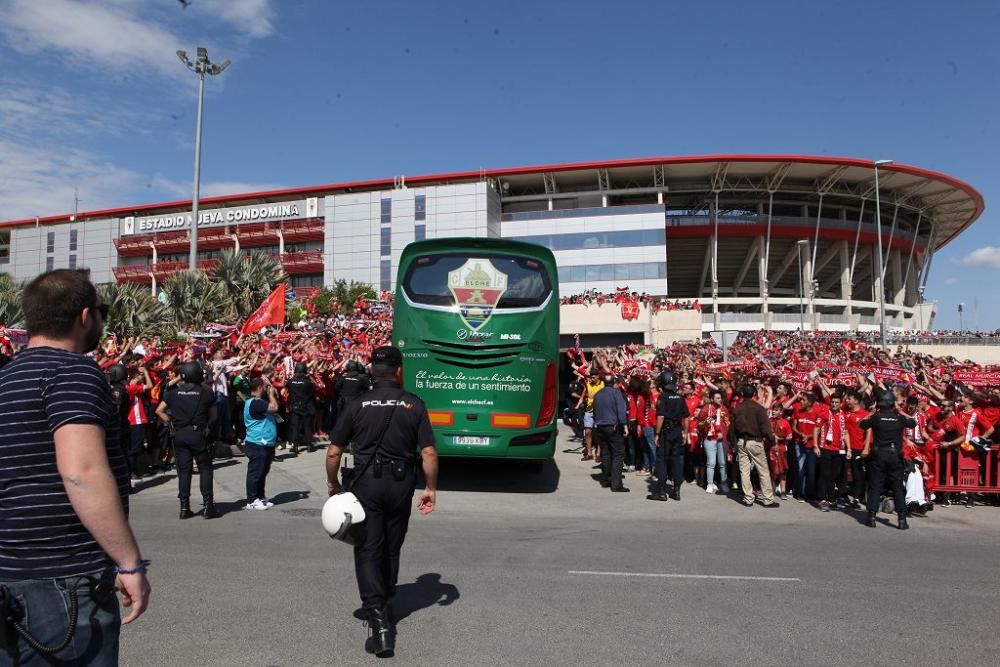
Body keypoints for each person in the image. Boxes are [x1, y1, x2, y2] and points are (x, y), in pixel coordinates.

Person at [0, 269, 150, 664]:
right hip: (63, 580)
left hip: (9, 574)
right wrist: (128, 562)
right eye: (101, 312)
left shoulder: (6, 378)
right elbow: (81, 472)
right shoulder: (74, 371)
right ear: (85, 317)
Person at [326, 346, 438, 658]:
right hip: (401, 484)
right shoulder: (414, 404)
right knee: (391, 544)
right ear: (399, 371)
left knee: (367, 548)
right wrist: (430, 488)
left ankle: (378, 619)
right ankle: (386, 597)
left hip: (366, 485)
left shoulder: (357, 403)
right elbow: (428, 452)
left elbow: (334, 450)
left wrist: (333, 484)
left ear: (373, 371)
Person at [156, 362, 219, 519]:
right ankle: (208, 506)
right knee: (205, 468)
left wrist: (170, 423)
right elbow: (214, 416)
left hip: (179, 435)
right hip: (198, 434)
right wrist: (207, 426)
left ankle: (184, 507)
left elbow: (159, 410)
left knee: (184, 471)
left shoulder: (172, 393)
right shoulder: (206, 392)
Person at [860, 393, 917, 529]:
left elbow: (861, 424)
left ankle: (872, 517)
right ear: (892, 405)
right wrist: (900, 411)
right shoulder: (899, 418)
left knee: (875, 486)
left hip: (879, 455)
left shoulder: (876, 418)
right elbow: (913, 422)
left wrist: (871, 412)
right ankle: (902, 520)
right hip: (895, 456)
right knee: (897, 487)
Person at [730, 385, 781, 508]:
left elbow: (732, 430)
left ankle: (748, 498)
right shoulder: (758, 408)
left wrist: (734, 444)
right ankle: (768, 499)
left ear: (742, 394)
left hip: (742, 441)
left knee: (744, 471)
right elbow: (766, 428)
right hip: (755, 442)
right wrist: (773, 442)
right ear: (754, 394)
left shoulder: (737, 408)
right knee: (763, 471)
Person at [648, 370, 688, 502]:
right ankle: (677, 491)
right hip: (677, 431)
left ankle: (661, 492)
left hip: (666, 432)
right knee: (676, 460)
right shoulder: (680, 397)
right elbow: (686, 417)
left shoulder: (663, 397)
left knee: (662, 461)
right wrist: (685, 432)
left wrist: (657, 433)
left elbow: (660, 416)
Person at [243, 378, 280, 511]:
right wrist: (271, 395)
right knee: (256, 472)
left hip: (264, 443)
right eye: (264, 387)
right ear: (259, 388)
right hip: (257, 442)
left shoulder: (257, 402)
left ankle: (260, 496)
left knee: (262, 471)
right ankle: (251, 500)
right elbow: (275, 407)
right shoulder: (255, 402)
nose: (266, 389)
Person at [593, 372, 630, 492]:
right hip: (612, 426)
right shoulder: (616, 393)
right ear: (614, 383)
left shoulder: (598, 394)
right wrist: (624, 425)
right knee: (618, 454)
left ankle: (606, 479)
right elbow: (621, 410)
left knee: (606, 453)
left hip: (600, 426)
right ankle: (616, 484)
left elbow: (595, 410)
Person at [287, 363, 316, 454]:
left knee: (295, 427)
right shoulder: (308, 383)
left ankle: (294, 446)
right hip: (306, 406)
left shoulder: (291, 382)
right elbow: (315, 388)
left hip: (294, 406)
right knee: (307, 426)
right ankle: (309, 445)